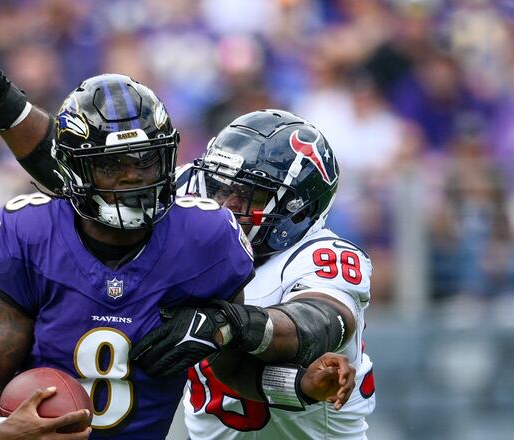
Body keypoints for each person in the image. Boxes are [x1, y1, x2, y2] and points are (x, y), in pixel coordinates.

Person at [0, 20, 358, 439]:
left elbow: (266, 350)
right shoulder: (38, 229)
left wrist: (242, 336)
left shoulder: (213, 236)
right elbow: (67, 159)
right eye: (222, 188)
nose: (134, 179)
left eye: (251, 196)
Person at [135, 109, 377, 439]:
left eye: (251, 195)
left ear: (298, 209)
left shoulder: (323, 255)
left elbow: (317, 322)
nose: (226, 205)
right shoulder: (190, 204)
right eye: (222, 187)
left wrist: (231, 324)